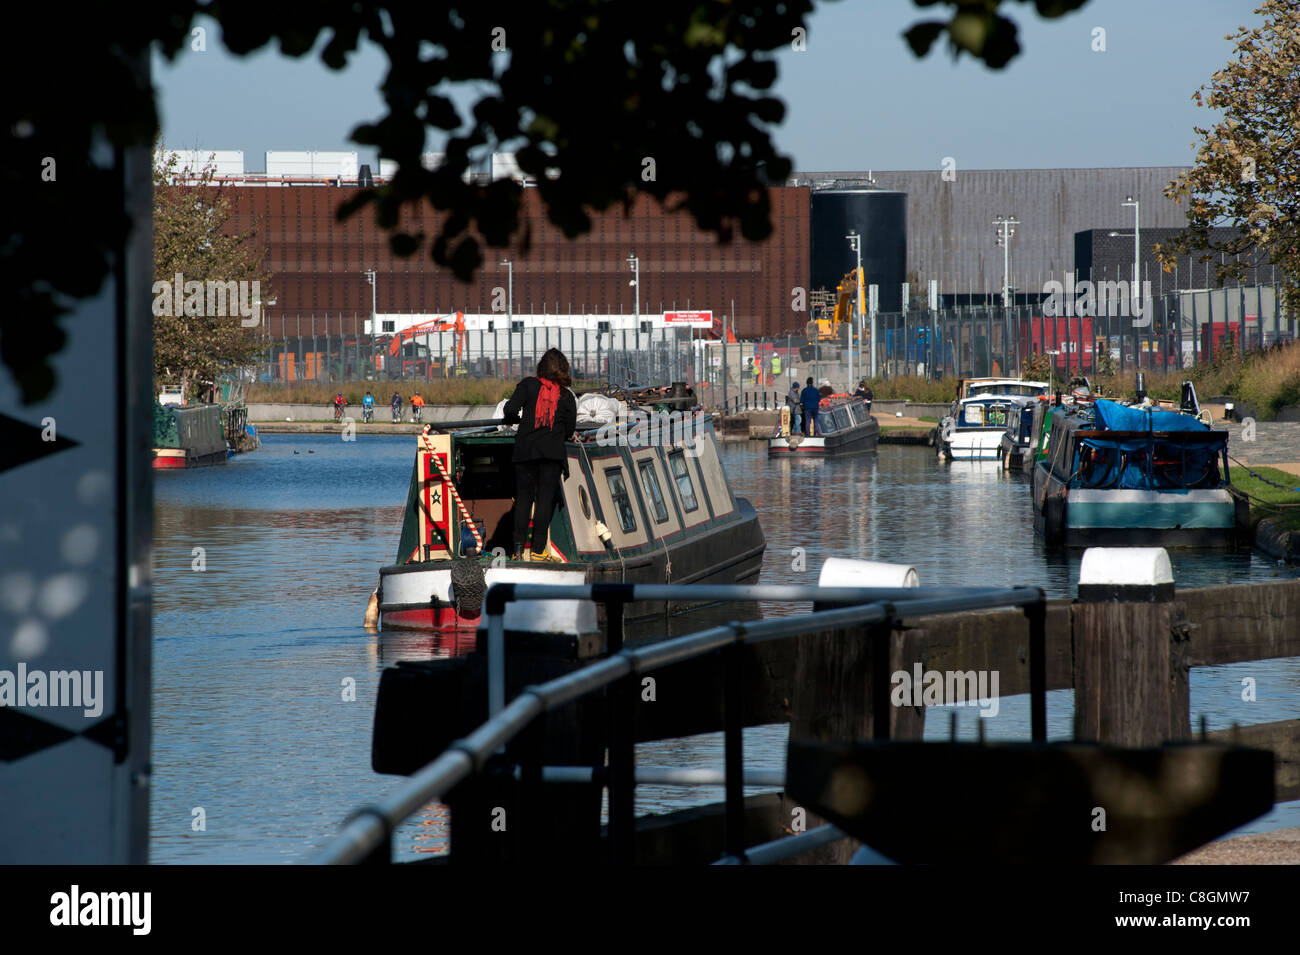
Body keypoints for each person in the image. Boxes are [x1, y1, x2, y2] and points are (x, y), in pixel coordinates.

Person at [503, 348, 577, 561]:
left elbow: (509, 410)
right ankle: (537, 552)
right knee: (545, 500)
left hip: (525, 451)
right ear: (563, 369)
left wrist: (518, 419)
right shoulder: (567, 396)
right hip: (552, 454)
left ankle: (517, 551)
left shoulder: (528, 385)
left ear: (541, 366)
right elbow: (570, 431)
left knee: (524, 499)